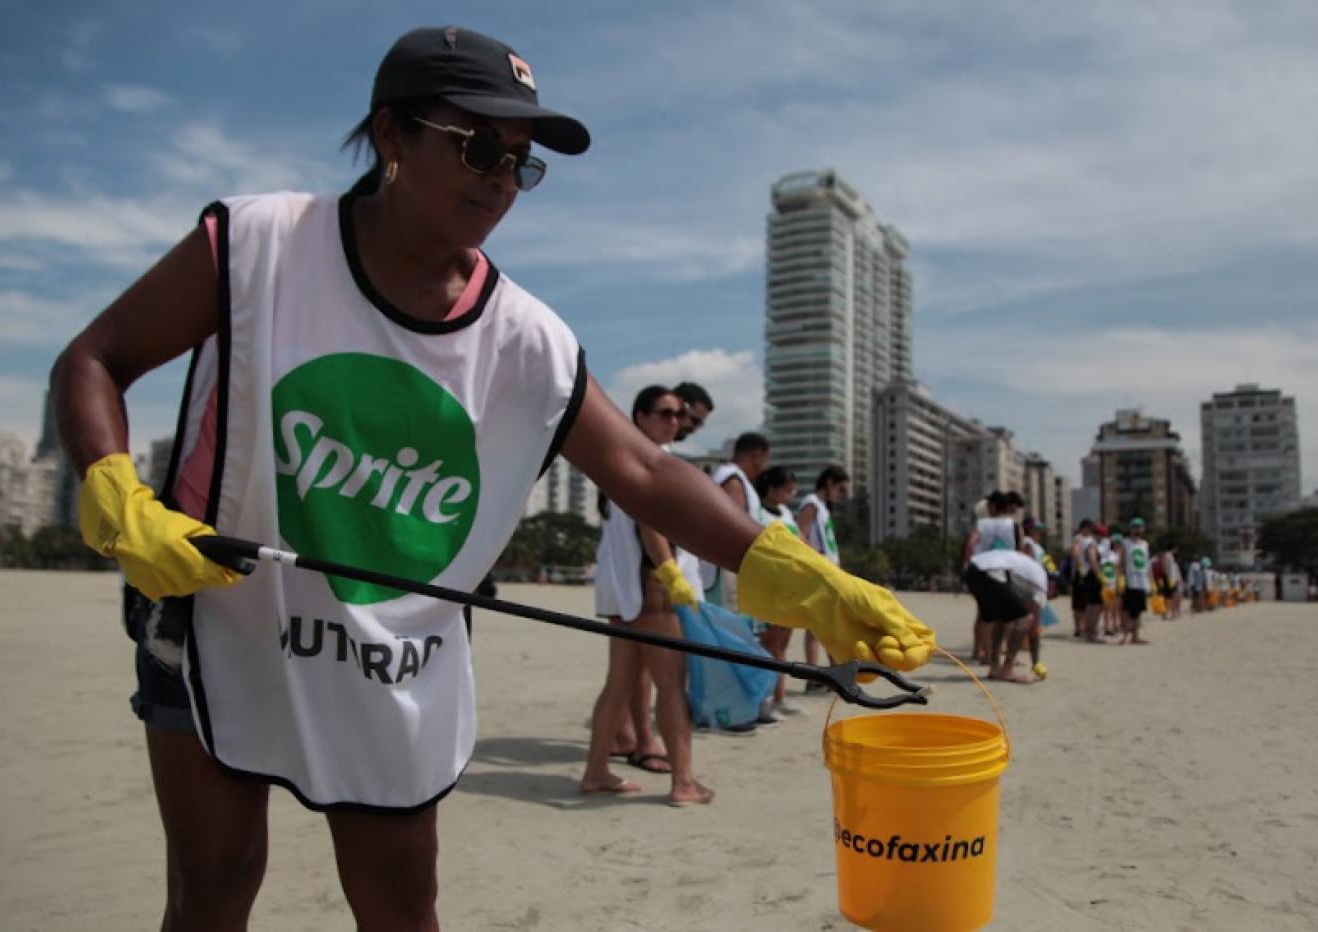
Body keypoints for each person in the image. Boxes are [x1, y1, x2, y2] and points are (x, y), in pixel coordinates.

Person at [51, 26, 936, 930]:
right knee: (214, 884)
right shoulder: (255, 244)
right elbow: (95, 358)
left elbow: (640, 469)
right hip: (217, 620)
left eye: (521, 163)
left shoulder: (527, 340)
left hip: (392, 655)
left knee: (401, 896)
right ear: (392, 135)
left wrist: (803, 576)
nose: (502, 179)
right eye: (478, 147)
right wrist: (116, 495)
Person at [584, 386, 708, 803]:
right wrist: (672, 575)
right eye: (664, 413)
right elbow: (650, 526)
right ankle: (684, 783)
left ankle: (596, 770)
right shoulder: (651, 464)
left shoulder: (616, 460)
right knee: (671, 685)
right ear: (639, 416)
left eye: (679, 414)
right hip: (653, 586)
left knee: (618, 684)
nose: (675, 421)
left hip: (624, 592)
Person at [754, 465, 803, 718]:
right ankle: (764, 699)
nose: (791, 493)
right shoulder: (759, 512)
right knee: (768, 643)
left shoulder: (785, 512)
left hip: (790, 584)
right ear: (771, 489)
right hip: (769, 585)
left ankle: (780, 696)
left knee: (782, 644)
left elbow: (800, 541)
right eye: (786, 488)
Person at [796, 465, 850, 690]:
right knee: (817, 627)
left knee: (829, 625)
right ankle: (815, 676)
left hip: (829, 570)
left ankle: (833, 673)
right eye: (840, 489)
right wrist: (815, 557)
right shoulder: (811, 502)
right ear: (829, 483)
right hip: (818, 571)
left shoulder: (823, 507)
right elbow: (799, 533)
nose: (841, 495)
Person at [963, 548, 1049, 684]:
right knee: (1025, 619)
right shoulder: (1041, 582)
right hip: (990, 573)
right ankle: (1007, 669)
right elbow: (1034, 627)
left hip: (972, 570)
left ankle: (995, 668)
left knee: (1001, 620)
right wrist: (1036, 661)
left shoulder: (1028, 569)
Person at [708, 432, 770, 608]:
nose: (764, 467)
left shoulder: (733, 477)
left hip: (733, 569)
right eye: (765, 460)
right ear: (757, 456)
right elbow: (732, 529)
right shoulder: (733, 480)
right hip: (728, 572)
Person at [962, 490, 1023, 665]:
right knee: (1004, 617)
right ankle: (995, 654)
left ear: (994, 507)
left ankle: (981, 652)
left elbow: (971, 544)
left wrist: (967, 565)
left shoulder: (982, 524)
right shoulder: (1014, 525)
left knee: (984, 614)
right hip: (1003, 571)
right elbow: (1019, 550)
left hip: (980, 570)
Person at [1019, 516, 1054, 679]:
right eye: (1036, 529)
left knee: (1034, 624)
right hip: (1032, 589)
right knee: (1030, 623)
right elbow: (1028, 564)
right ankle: (1034, 661)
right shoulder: (1027, 542)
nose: (1039, 532)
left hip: (1038, 587)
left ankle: (1034, 660)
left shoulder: (1036, 545)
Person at [1119, 517, 1153, 645]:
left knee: (1138, 610)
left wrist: (1151, 581)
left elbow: (1147, 564)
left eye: (1140, 527)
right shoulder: (1125, 543)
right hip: (1130, 580)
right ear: (1131, 528)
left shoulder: (1145, 544)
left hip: (1142, 580)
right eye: (1135, 527)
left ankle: (1135, 636)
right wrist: (1121, 578)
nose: (1137, 530)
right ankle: (1125, 635)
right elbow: (1121, 562)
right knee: (1127, 609)